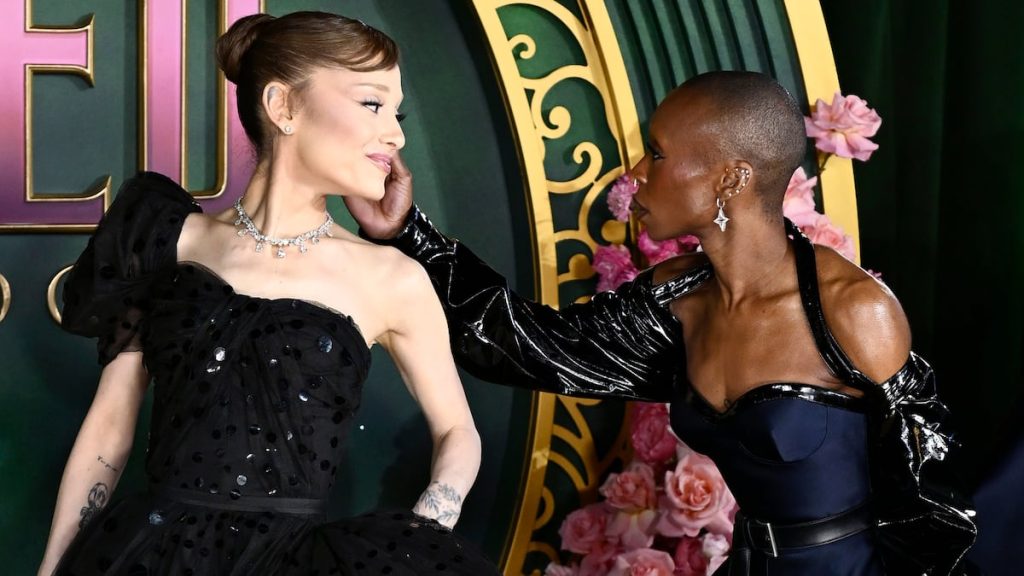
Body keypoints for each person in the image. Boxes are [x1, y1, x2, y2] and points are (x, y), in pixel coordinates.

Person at [350, 72, 977, 574]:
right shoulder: (674, 298)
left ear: (731, 178)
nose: (636, 174)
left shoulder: (854, 311)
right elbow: (533, 347)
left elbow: (932, 511)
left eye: (656, 153)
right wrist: (409, 233)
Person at [38, 11, 498, 576]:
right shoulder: (167, 239)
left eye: (396, 114)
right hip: (149, 555)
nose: (396, 136)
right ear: (283, 106)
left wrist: (423, 532)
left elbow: (458, 431)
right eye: (372, 104)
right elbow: (108, 430)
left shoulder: (390, 278)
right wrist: (52, 567)